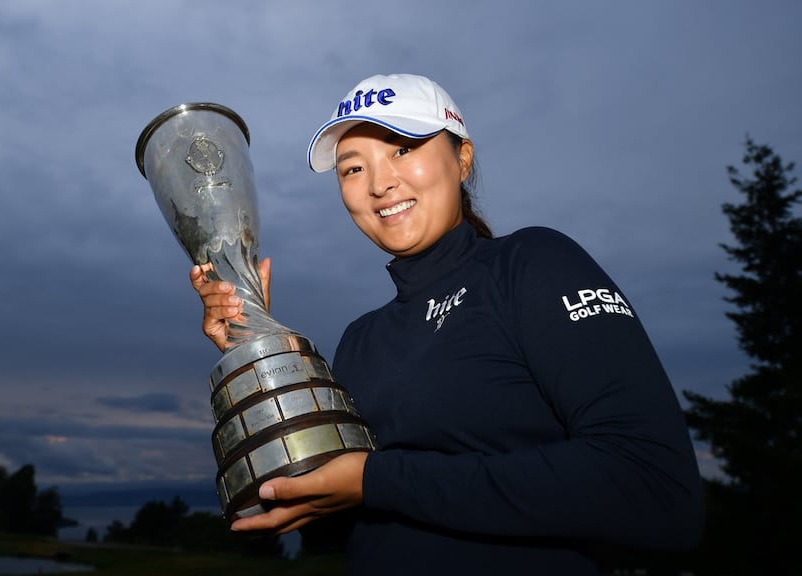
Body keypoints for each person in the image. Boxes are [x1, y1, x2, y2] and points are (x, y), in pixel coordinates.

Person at [189, 73, 704, 574]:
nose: (380, 183)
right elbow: (334, 530)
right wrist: (261, 354)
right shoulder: (360, 339)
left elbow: (653, 490)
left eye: (403, 149)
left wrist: (375, 480)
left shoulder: (531, 264)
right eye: (352, 168)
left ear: (462, 158)